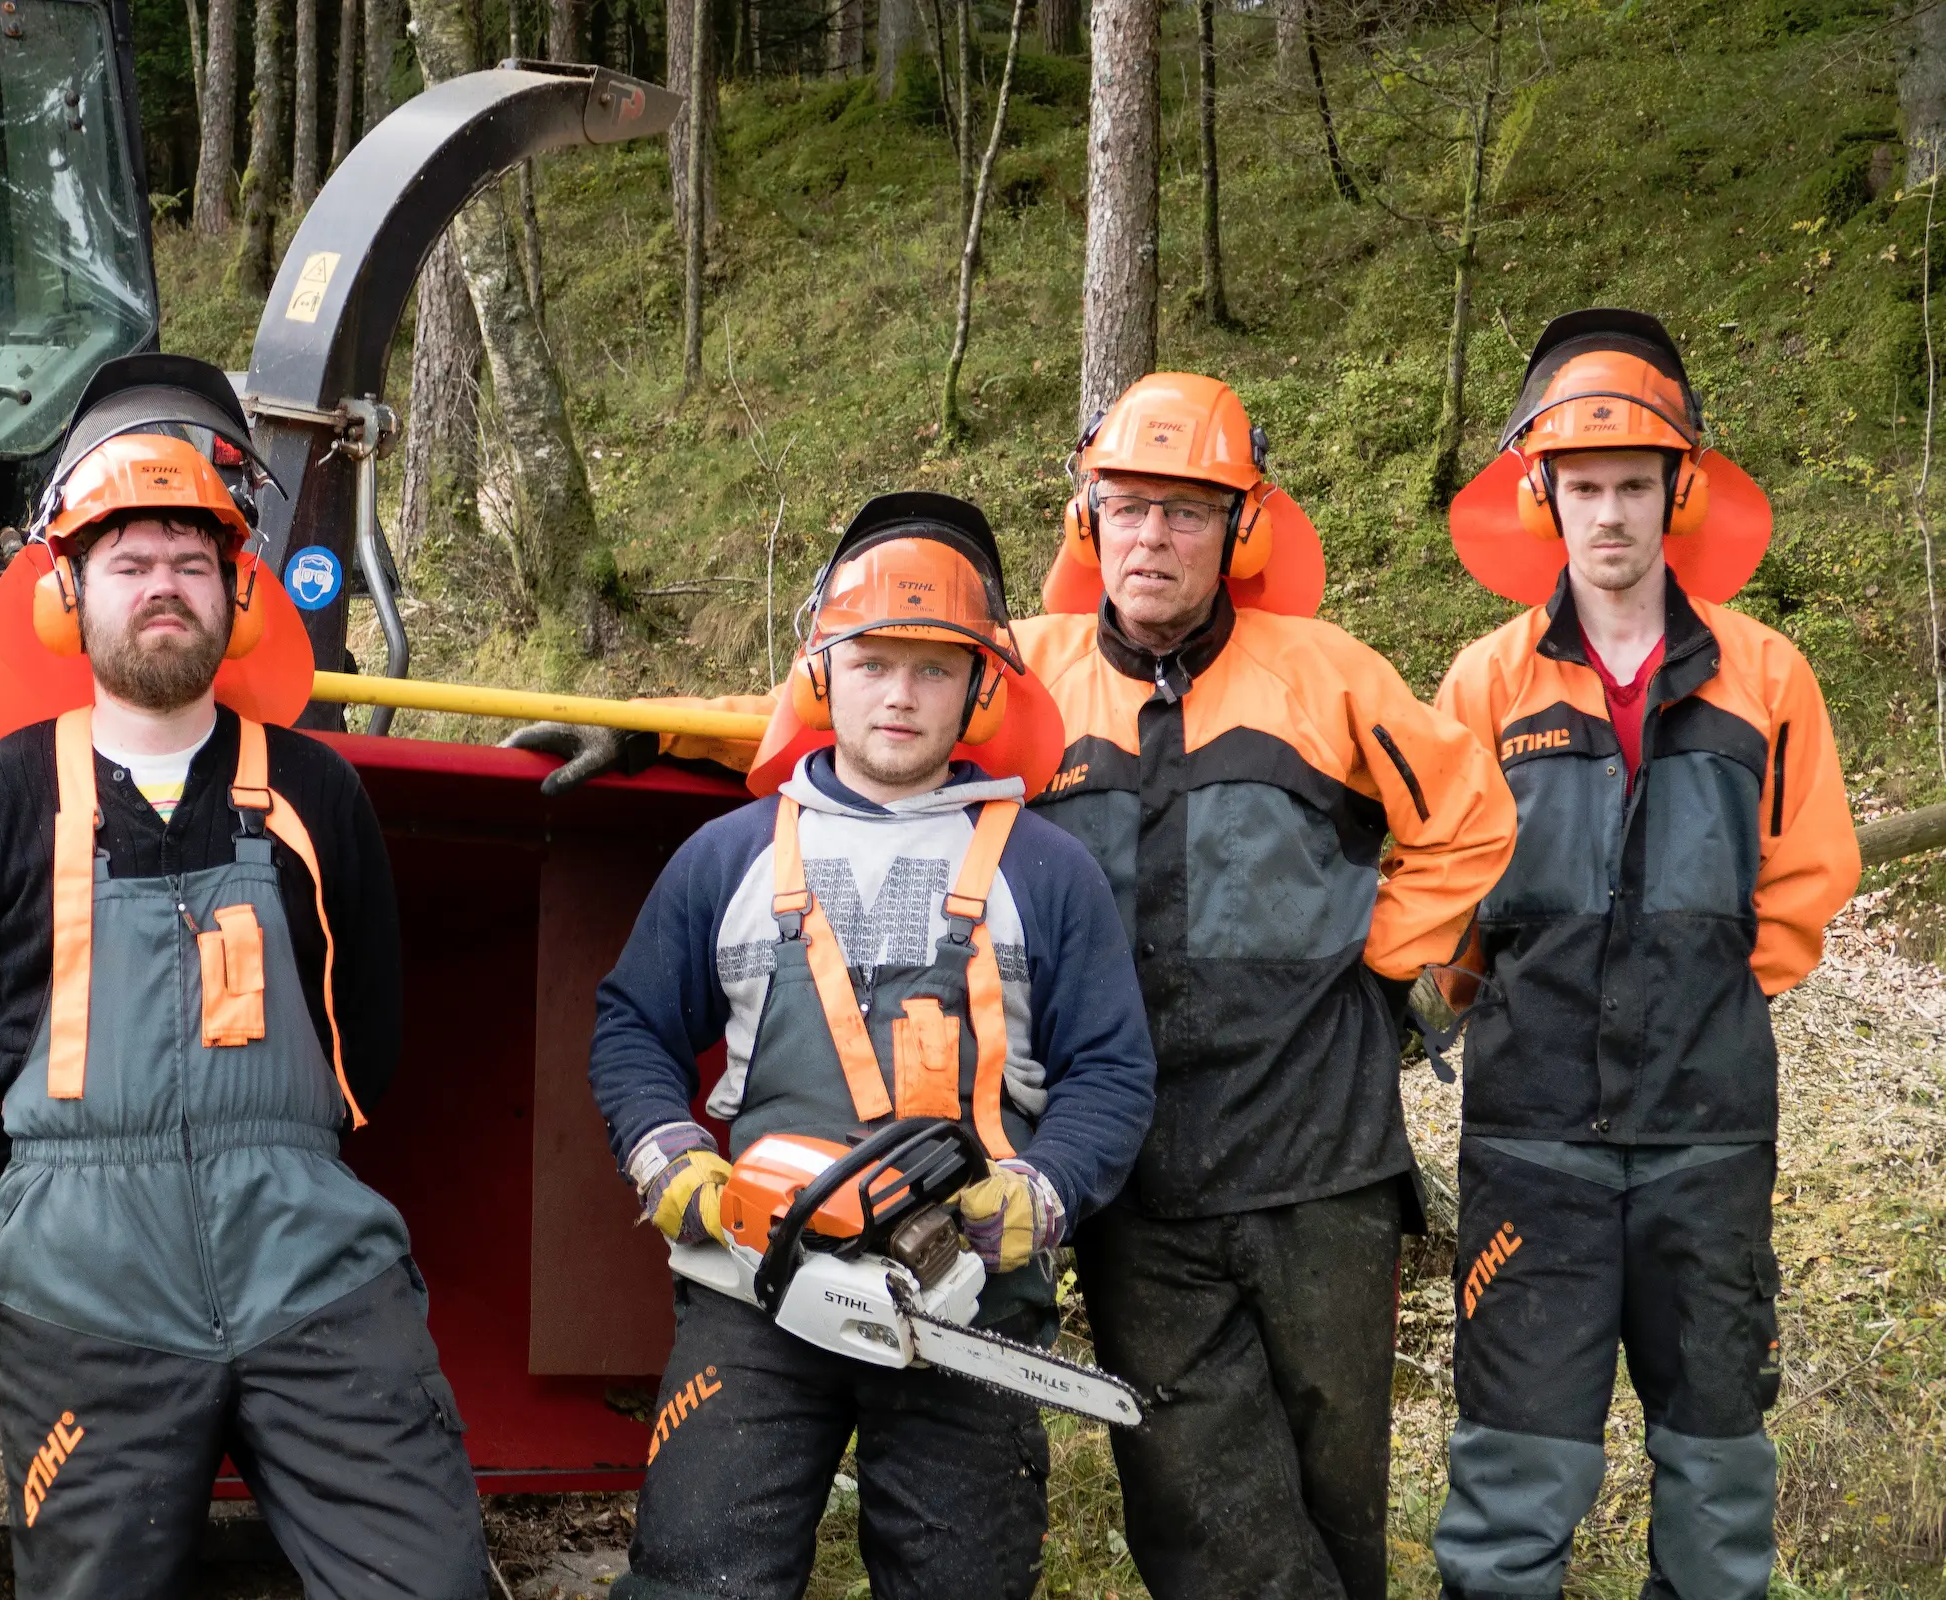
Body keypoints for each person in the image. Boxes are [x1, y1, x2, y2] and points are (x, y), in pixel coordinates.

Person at [545, 376, 1520, 1599]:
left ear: (1240, 528)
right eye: (1128, 509)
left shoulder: (1323, 674)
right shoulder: (1025, 668)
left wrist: (1383, 981)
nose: (1153, 538)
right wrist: (639, 732)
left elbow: (1471, 818)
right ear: (1085, 521)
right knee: (1193, 1495)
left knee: (1334, 1472)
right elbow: (853, 703)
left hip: (1305, 1139)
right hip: (1128, 1167)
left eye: (1185, 511)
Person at [0, 414, 488, 1599]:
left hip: (310, 1267)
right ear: (66, 595)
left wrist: (275, 1156)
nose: (162, 587)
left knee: (425, 1583)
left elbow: (367, 1030)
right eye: (128, 564)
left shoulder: (316, 788)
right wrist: (63, 1184)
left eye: (190, 563)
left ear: (234, 593)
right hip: (84, 1290)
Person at [587, 494, 1159, 1600]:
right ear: (820, 671)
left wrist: (1036, 1195)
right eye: (873, 662)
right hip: (755, 1284)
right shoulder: (727, 855)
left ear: (981, 686)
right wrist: (670, 1159)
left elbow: (1111, 1072)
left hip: (964, 1292)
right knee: (697, 1572)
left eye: (934, 668)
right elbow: (631, 1027)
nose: (899, 695)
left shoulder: (1047, 871)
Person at [1429, 311, 1860, 1600]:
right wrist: (1481, 998)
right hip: (1530, 1138)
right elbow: (1443, 887)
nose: (1606, 514)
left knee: (1717, 1473)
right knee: (1512, 1476)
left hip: (1706, 1138)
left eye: (1630, 485)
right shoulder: (1483, 683)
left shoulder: (1765, 674)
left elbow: (1802, 879)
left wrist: (1705, 1005)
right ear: (1540, 497)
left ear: (1677, 493)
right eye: (1581, 488)